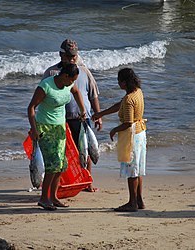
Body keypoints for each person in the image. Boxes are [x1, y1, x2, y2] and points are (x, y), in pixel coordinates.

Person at [43, 39, 102, 192]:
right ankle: (64, 182)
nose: (72, 59)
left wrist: (98, 115)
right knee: (63, 153)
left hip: (83, 118)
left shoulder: (83, 71)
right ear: (61, 55)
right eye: (68, 56)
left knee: (86, 151)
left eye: (74, 56)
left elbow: (93, 94)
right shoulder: (52, 73)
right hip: (61, 120)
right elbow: (42, 98)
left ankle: (87, 181)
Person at [28, 63, 86, 211]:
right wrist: (34, 129)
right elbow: (31, 108)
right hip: (45, 128)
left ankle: (53, 197)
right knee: (52, 165)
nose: (73, 83)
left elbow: (76, 92)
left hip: (60, 128)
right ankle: (43, 198)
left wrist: (83, 110)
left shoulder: (69, 84)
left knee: (61, 165)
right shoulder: (46, 85)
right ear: (65, 76)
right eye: (72, 79)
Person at [92, 68, 147, 212]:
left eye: (118, 81)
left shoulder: (129, 99)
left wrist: (114, 130)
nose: (118, 83)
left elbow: (128, 123)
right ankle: (139, 200)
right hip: (141, 133)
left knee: (131, 170)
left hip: (132, 135)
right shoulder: (137, 92)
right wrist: (101, 113)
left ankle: (132, 202)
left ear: (124, 82)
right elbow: (119, 105)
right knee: (138, 170)